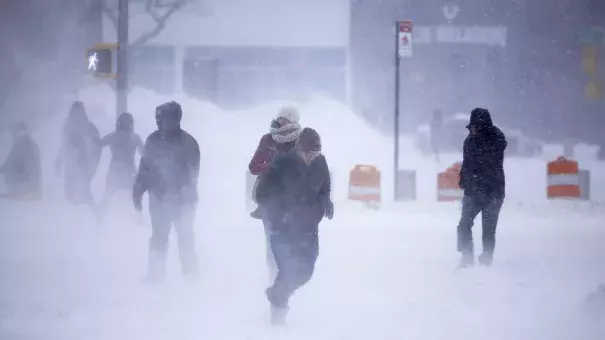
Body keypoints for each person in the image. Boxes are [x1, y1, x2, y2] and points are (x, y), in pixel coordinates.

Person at [255, 127, 334, 324]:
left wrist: (327, 203)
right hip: (282, 228)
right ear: (298, 150)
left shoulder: (320, 162)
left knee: (306, 272)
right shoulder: (282, 163)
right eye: (307, 152)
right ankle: (277, 321)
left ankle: (276, 294)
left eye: (314, 153)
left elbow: (325, 187)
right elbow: (262, 193)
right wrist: (281, 210)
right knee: (288, 270)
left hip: (308, 227)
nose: (310, 157)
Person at [132, 101, 200, 283]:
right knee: (158, 238)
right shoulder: (152, 141)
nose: (159, 122)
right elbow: (144, 169)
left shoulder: (188, 143)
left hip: (182, 202)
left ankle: (191, 276)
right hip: (159, 200)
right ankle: (155, 274)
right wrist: (138, 191)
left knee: (185, 237)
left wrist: (184, 198)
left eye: (163, 119)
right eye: (158, 119)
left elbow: (192, 175)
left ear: (175, 119)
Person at [248, 106, 302, 281]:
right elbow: (254, 167)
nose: (281, 123)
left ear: (293, 121)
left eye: (285, 120)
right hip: (269, 200)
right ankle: (274, 278)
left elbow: (307, 168)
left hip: (292, 200)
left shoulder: (301, 142)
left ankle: (289, 277)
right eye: (279, 119)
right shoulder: (268, 140)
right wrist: (272, 166)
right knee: (272, 241)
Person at [457, 108, 507, 268]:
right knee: (464, 225)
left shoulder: (496, 139)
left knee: (488, 228)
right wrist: (463, 180)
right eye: (472, 126)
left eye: (477, 126)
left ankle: (486, 258)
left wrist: (475, 181)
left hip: (493, 192)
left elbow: (489, 163)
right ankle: (466, 257)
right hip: (473, 191)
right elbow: (467, 164)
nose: (473, 129)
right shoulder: (469, 141)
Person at [97, 113, 144, 222]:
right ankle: (139, 218)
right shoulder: (134, 138)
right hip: (127, 172)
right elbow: (144, 153)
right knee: (135, 196)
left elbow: (99, 144)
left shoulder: (114, 137)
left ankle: (99, 216)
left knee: (108, 196)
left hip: (116, 171)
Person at [55, 101, 101, 207]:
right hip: (71, 164)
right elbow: (64, 144)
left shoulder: (88, 127)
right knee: (70, 194)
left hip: (83, 165)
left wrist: (92, 164)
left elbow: (97, 147)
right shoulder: (68, 126)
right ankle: (75, 213)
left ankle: (86, 215)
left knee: (81, 193)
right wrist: (59, 161)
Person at [0, 123, 41, 198]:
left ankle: (20, 191)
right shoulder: (30, 142)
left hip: (24, 181)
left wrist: (5, 167)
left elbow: (12, 158)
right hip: (29, 182)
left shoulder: (22, 142)